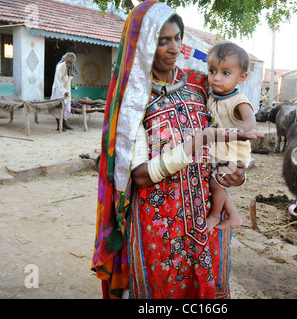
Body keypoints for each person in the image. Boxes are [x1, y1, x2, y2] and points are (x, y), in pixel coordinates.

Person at [91, 0, 258, 299]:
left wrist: (236, 174)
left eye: (178, 38)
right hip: (160, 228)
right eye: (162, 41)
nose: (174, 48)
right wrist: (195, 143)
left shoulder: (199, 85)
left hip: (206, 218)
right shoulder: (132, 101)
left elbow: (227, 135)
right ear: (142, 45)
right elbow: (139, 177)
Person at [205, 42, 259, 232]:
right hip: (219, 151)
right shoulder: (212, 96)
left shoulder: (238, 101)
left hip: (234, 153)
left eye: (225, 73)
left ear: (241, 78)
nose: (216, 78)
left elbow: (250, 120)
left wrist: (239, 130)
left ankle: (214, 215)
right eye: (212, 71)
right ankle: (234, 215)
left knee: (215, 182)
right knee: (217, 180)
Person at [49, 52, 78, 131]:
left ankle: (64, 124)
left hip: (66, 91)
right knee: (58, 108)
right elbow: (59, 81)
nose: (69, 63)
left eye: (70, 62)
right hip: (58, 90)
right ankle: (59, 126)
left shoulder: (71, 67)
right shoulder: (60, 67)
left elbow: (68, 79)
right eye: (67, 61)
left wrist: (70, 86)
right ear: (65, 59)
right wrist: (63, 91)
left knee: (66, 107)